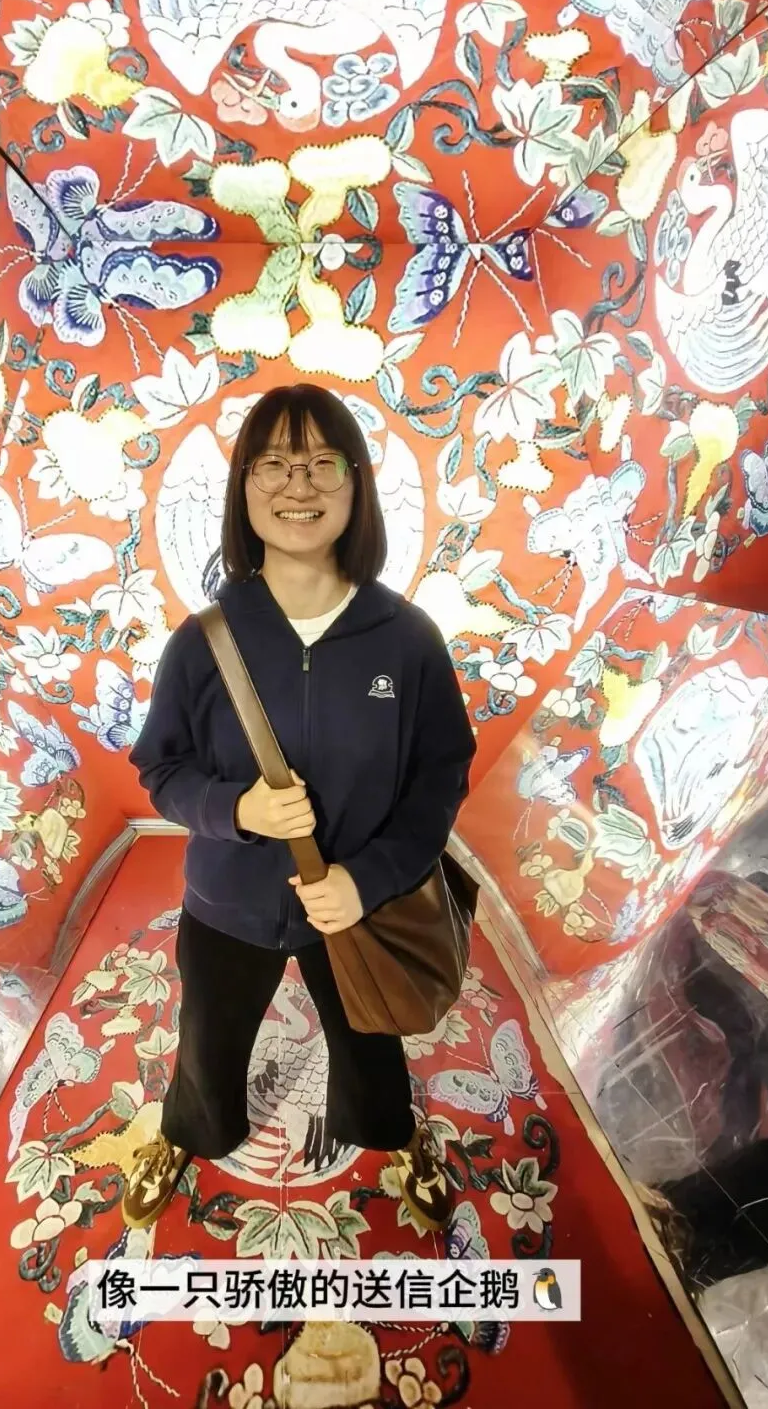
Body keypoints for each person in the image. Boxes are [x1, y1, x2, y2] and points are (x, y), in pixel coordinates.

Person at [126, 384, 476, 1233]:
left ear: (357, 485)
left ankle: (392, 1134)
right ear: (244, 486)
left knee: (370, 1044)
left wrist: (368, 879)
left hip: (357, 905)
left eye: (323, 462)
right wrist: (235, 809)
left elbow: (441, 777)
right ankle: (187, 1129)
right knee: (207, 1040)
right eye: (274, 463)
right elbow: (160, 768)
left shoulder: (408, 639)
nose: (299, 484)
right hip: (227, 903)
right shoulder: (203, 640)